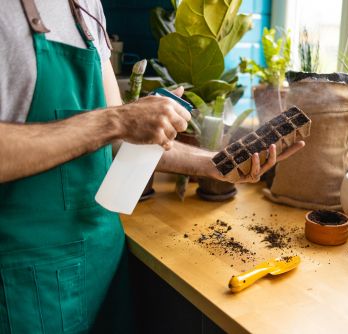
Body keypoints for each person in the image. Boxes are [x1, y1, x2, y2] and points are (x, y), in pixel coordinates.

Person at [0, 0, 304, 332]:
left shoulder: (86, 6)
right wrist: (117, 119)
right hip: (27, 280)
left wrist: (213, 165)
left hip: (103, 260)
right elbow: (112, 123)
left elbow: (116, 140)